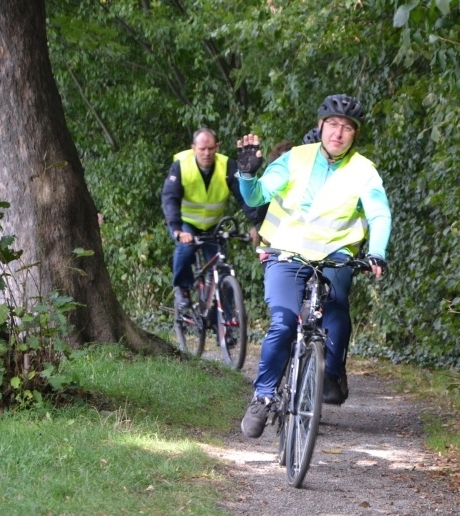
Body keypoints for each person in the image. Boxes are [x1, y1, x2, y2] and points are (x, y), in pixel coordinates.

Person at [236, 94, 392, 439]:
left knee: (337, 312)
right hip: (287, 254)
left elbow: (379, 212)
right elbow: (257, 197)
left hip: (336, 257)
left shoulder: (363, 170)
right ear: (321, 126)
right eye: (333, 124)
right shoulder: (295, 158)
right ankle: (262, 397)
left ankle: (331, 373)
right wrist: (246, 175)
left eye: (347, 127)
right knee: (282, 322)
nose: (338, 133)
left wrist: (377, 252)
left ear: (355, 134)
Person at [161, 128, 262, 308]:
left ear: (217, 147)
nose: (206, 153)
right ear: (193, 148)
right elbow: (170, 198)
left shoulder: (227, 166)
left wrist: (257, 224)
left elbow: (244, 197)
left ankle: (227, 321)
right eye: (202, 149)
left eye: (210, 148)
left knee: (221, 268)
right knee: (185, 249)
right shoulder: (181, 166)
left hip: (213, 225)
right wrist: (176, 229)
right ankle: (182, 289)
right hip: (187, 223)